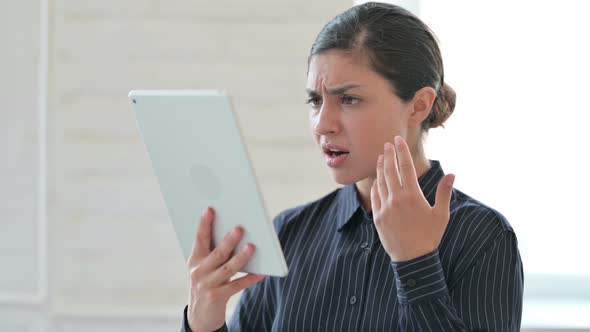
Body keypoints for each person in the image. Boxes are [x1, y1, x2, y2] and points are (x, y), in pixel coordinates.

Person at [181, 2, 523, 331]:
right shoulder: (289, 233)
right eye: (315, 101)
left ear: (418, 106)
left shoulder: (483, 237)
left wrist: (415, 262)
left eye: (349, 99)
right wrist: (203, 323)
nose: (322, 124)